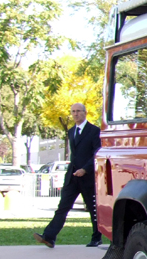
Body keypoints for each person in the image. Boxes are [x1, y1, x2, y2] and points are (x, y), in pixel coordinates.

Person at [34, 103, 102, 248]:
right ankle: (49, 237)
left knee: (92, 208)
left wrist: (85, 169)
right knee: (63, 207)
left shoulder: (94, 131)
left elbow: (97, 153)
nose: (75, 114)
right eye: (73, 112)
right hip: (72, 177)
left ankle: (96, 237)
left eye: (78, 111)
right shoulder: (71, 132)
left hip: (88, 177)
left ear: (85, 112)